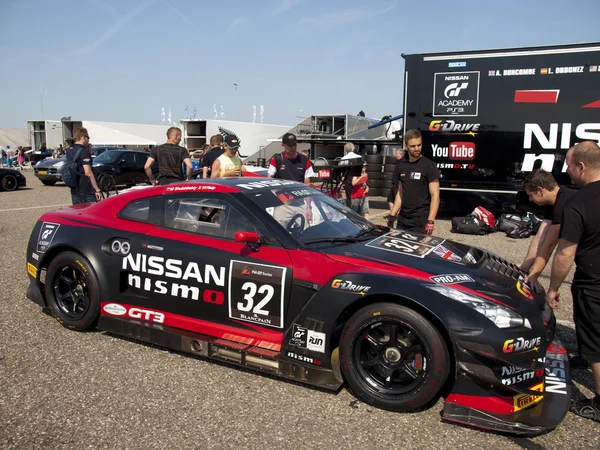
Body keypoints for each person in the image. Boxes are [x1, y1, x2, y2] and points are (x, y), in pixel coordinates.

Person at [545, 141, 600, 423]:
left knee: (596, 336)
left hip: (593, 280)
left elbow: (566, 252)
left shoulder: (578, 202)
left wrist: (553, 286)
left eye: (568, 164)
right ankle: (586, 357)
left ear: (581, 166)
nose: (566, 170)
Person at [519, 169, 576, 292]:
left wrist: (534, 276)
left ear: (540, 190)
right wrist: (525, 267)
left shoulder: (564, 204)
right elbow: (541, 236)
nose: (530, 200)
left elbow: (549, 244)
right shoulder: (553, 203)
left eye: (530, 195)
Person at [390, 130, 440, 234]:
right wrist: (392, 214)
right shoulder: (401, 165)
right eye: (413, 146)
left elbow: (435, 195)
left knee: (418, 249)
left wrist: (431, 221)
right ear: (406, 146)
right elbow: (400, 192)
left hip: (420, 219)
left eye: (419, 145)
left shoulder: (429, 166)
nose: (417, 148)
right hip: (402, 218)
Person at [67, 127, 102, 204]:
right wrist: (96, 189)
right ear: (83, 136)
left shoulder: (69, 149)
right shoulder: (83, 151)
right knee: (91, 213)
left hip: (75, 188)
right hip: (86, 189)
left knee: (78, 212)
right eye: (88, 137)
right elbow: (88, 172)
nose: (88, 140)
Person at [387, 148, 406, 225]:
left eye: (397, 153)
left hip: (398, 184)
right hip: (394, 184)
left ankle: (397, 214)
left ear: (400, 154)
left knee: (397, 199)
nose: (395, 155)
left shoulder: (403, 162)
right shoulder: (398, 162)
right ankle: (393, 213)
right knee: (390, 199)